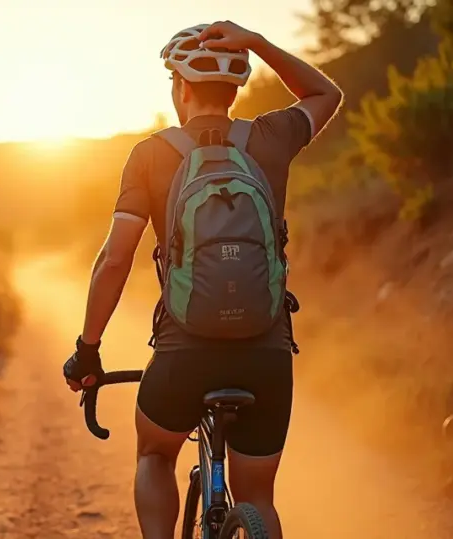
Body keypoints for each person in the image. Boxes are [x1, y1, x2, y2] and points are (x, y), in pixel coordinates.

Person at [62, 20, 343, 539]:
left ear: (180, 87)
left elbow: (115, 260)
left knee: (153, 452)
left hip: (184, 352)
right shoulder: (271, 137)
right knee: (258, 495)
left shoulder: (150, 155)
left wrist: (89, 348)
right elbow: (326, 92)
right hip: (267, 352)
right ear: (236, 88)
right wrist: (257, 42)